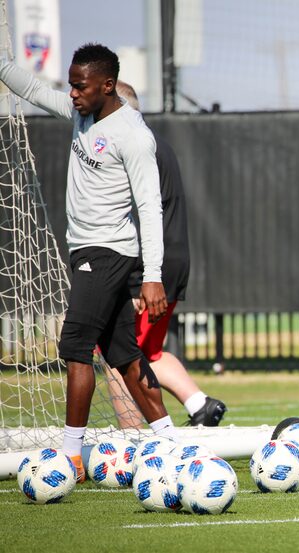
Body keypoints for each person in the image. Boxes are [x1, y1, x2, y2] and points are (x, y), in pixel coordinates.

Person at [0, 44, 177, 482]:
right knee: (125, 355)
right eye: (73, 85)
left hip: (107, 253)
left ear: (108, 85)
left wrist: (152, 276)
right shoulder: (82, 111)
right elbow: (38, 90)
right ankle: (172, 444)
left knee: (76, 348)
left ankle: (71, 456)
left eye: (80, 86)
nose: (73, 93)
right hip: (88, 251)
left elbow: (150, 207)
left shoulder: (133, 134)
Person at [107, 81, 226, 428]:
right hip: (169, 261)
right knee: (149, 353)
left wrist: (136, 280)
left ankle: (131, 445)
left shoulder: (134, 147)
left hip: (149, 268)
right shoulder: (156, 143)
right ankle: (200, 405)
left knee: (118, 354)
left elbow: (138, 213)